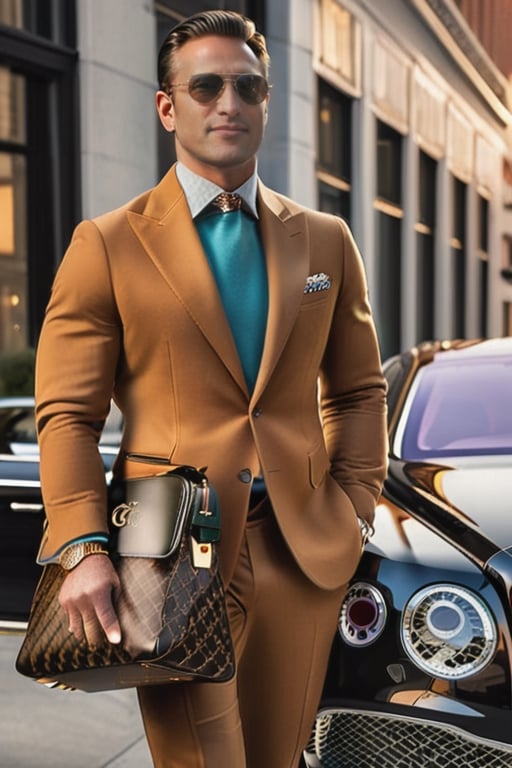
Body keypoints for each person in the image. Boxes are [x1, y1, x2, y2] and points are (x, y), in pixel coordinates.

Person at [34, 9, 388, 768]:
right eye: (206, 86)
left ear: (265, 102)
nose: (228, 102)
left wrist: (356, 508)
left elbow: (358, 392)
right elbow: (66, 414)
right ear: (168, 106)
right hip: (166, 557)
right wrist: (82, 548)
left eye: (247, 87)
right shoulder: (108, 244)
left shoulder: (325, 240)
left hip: (302, 550)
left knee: (277, 757)